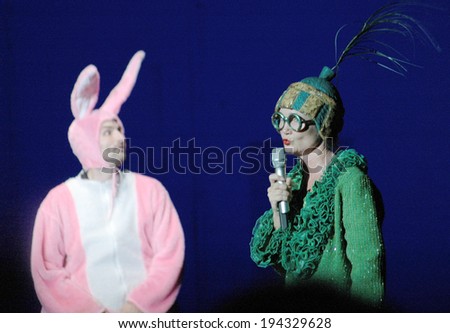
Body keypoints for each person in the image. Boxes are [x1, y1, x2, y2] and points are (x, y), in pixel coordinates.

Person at [31, 51, 185, 313]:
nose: (119, 138)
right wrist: (96, 316)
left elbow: (169, 256)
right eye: (107, 131)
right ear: (86, 139)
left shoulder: (150, 191)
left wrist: (136, 308)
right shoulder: (58, 201)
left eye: (120, 130)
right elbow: (47, 272)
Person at [249, 66, 385, 307]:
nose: (284, 129)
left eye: (295, 120)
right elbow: (288, 263)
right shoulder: (296, 182)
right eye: (279, 119)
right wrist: (279, 211)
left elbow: (367, 265)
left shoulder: (350, 180)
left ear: (323, 123)